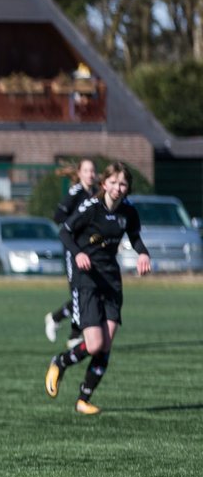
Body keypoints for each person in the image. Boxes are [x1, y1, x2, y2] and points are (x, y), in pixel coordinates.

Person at [44, 162, 151, 415]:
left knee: (106, 344)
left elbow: (134, 237)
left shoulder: (129, 211)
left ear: (127, 188)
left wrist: (143, 254)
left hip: (111, 281)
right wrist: (78, 253)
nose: (117, 188)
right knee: (93, 345)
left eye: (122, 184)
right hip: (88, 280)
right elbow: (64, 232)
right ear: (104, 184)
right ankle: (60, 362)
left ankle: (84, 399)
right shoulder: (91, 208)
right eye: (113, 182)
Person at [45, 158, 98, 348]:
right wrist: (74, 227)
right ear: (80, 173)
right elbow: (58, 216)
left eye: (93, 171)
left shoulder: (93, 193)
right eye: (87, 171)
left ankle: (56, 318)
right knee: (78, 291)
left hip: (88, 249)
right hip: (73, 249)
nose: (91, 174)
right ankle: (74, 336)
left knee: (89, 291)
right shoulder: (76, 192)